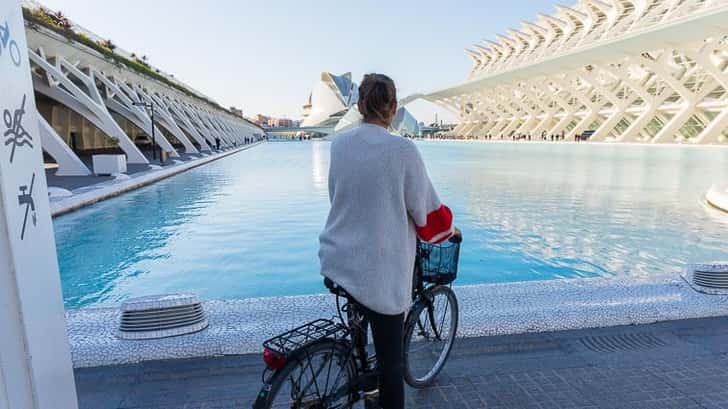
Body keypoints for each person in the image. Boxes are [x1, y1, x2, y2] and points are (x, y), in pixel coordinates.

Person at [319, 73, 459, 409]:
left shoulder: (339, 145)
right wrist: (448, 229)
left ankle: (364, 388)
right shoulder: (402, 150)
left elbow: (336, 197)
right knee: (391, 366)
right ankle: (377, 391)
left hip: (339, 260)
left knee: (359, 339)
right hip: (379, 274)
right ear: (394, 108)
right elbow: (427, 214)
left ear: (358, 105)